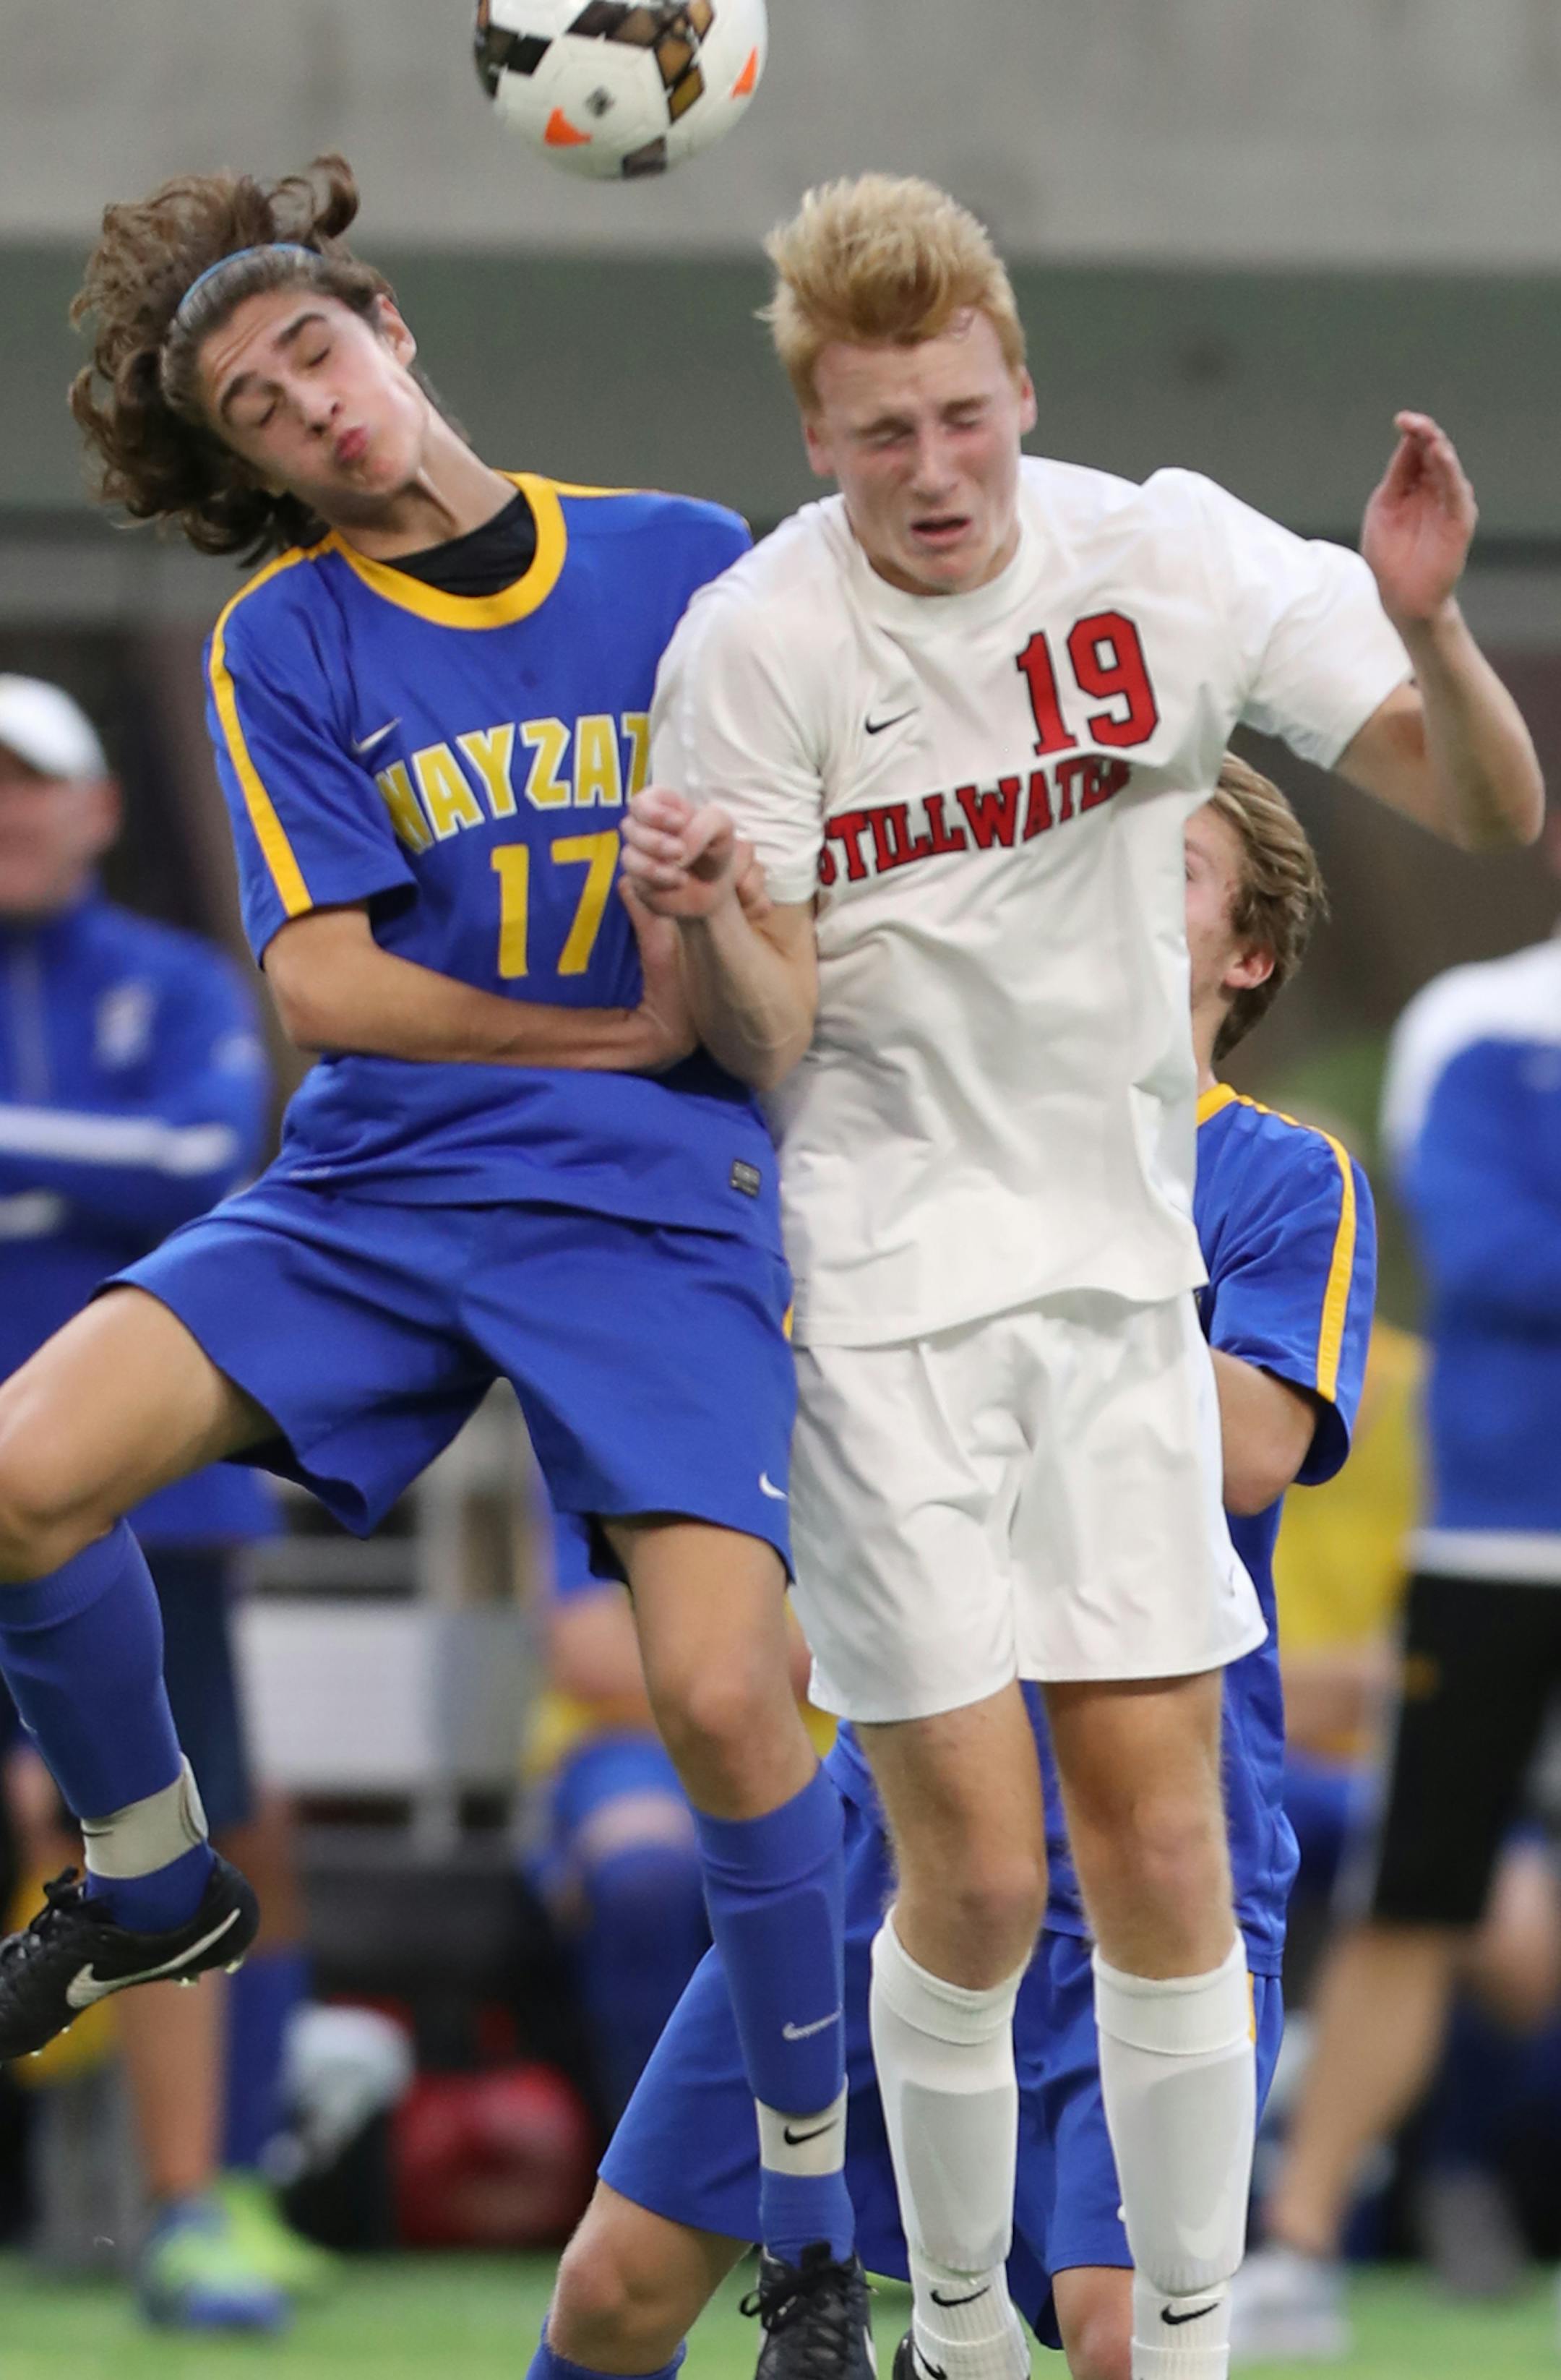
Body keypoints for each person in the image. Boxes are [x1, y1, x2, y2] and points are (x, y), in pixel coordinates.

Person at [622, 173, 1541, 2380]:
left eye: (961, 417)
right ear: (817, 439)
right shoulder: (753, 643)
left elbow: (1489, 812)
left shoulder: (1176, 551)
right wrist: (709, 913)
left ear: (1021, 384)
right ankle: (951, 2332)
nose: (931, 472)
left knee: (1160, 1851)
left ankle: (1198, 2348)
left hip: (1120, 1287)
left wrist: (1429, 625)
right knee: (973, 1881)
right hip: (878, 1300)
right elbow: (759, 1041)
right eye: (877, 436)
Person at [0, 156, 862, 2373]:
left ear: (389, 325)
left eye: (315, 354)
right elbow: (330, 988)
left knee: (730, 1703)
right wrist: (613, 1017)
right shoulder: (285, 633)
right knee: (21, 1471)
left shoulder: (688, 563)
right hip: (380, 1180)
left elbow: (813, 903)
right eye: (261, 415)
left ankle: (805, 2227)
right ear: (247, 470)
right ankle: (149, 1868)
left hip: (654, 1196)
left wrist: (725, 948)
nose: (312, 410)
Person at [538, 758, 1370, 2380]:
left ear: (1247, 952)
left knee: (1123, 2341)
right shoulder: (910, 1149)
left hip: (1159, 1850)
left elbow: (1255, 1446)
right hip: (892, 1824)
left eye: (1173, 871)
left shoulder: (1282, 1175)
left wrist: (1029, 1257)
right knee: (616, 2291)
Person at [0, 671, 322, 2327]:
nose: (11, 815)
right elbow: (149, 1161)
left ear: (95, 809)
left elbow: (208, 1159)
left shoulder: (181, 979)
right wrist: (79, 1158)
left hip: (152, 1499)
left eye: (32, 785)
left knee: (171, 1832)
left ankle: (194, 2207)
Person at [1234, 802, 1561, 2361]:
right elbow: (1499, 1263)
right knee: (1421, 1893)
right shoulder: (1488, 1023)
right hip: (1509, 1537)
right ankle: (1297, 2242)